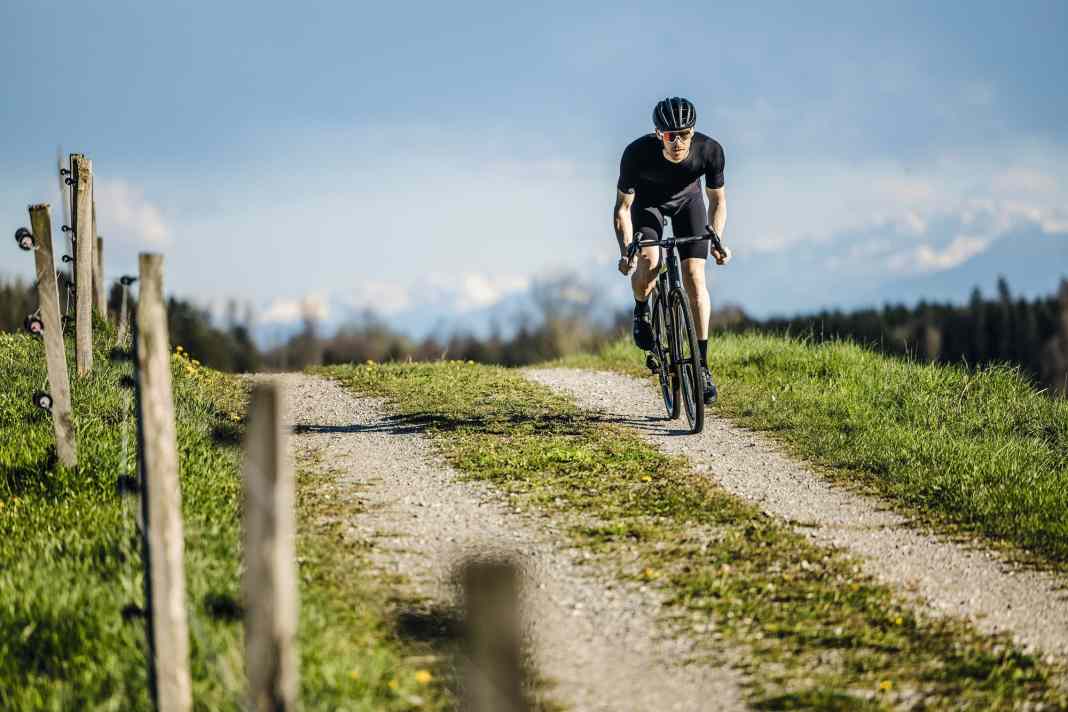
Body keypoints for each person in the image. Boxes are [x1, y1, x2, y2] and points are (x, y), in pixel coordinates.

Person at [613, 96, 731, 404]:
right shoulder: (635, 154)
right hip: (648, 206)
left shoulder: (710, 150)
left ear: (693, 132)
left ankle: (702, 366)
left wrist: (716, 238)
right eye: (669, 135)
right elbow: (622, 209)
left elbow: (717, 201)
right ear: (658, 134)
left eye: (684, 134)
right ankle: (642, 309)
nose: (678, 142)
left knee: (695, 277)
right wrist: (626, 250)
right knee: (650, 263)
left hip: (688, 204)